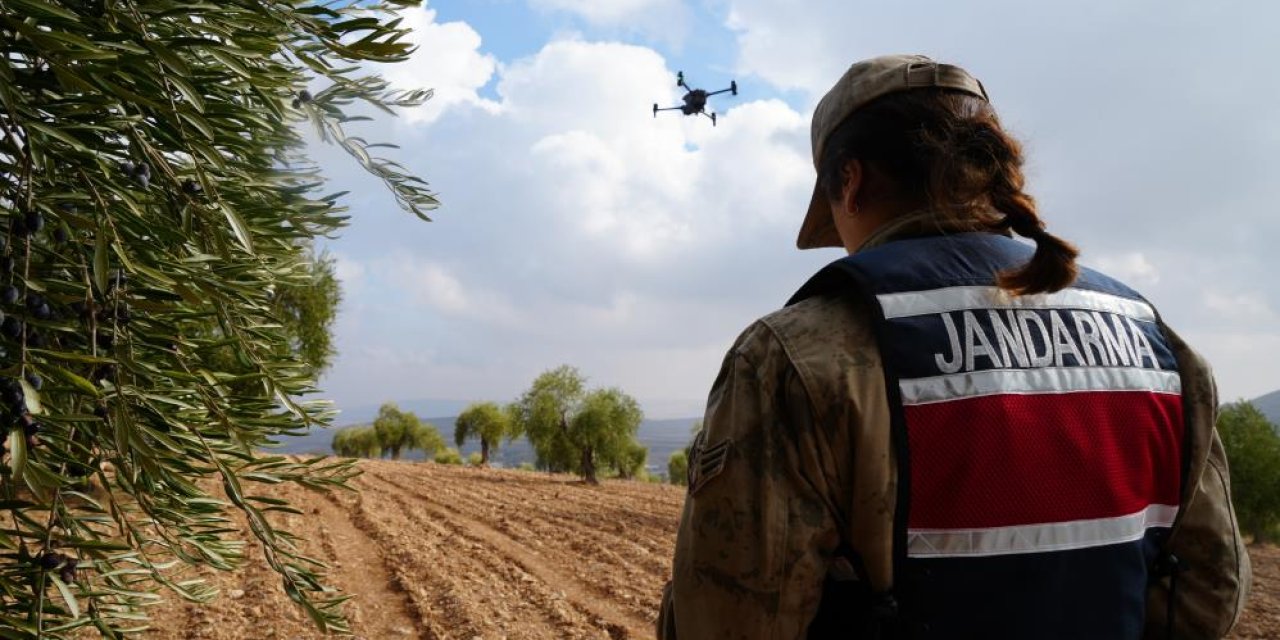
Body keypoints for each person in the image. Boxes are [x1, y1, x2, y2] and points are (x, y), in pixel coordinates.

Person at [657, 54, 1251, 639]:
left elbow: (729, 619)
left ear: (850, 181)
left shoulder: (792, 356)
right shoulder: (1156, 341)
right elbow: (1210, 595)